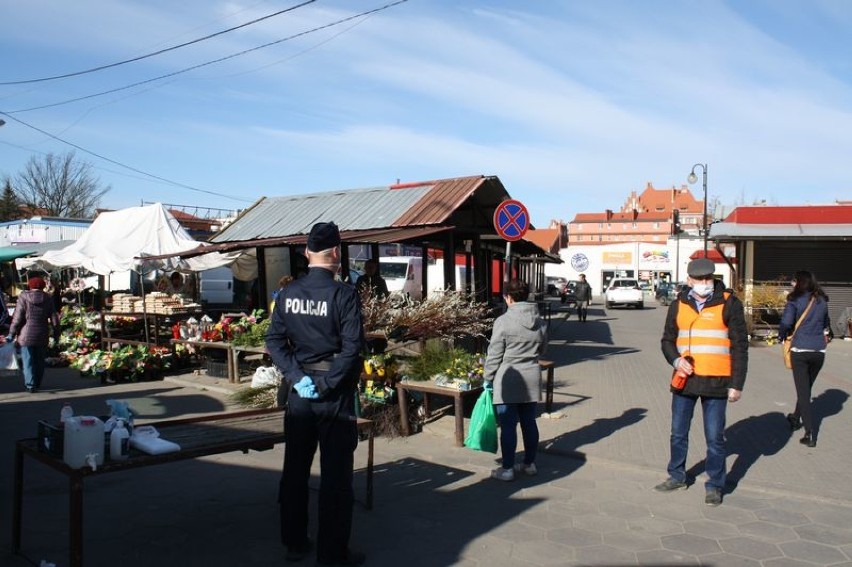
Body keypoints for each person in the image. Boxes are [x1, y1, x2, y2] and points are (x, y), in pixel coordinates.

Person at [265, 221, 366, 566]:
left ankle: (294, 542)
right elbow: (353, 349)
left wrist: (295, 376)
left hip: (299, 394)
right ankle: (332, 554)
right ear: (336, 253)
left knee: (295, 470)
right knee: (336, 477)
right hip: (332, 394)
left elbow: (274, 341)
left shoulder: (288, 293)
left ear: (307, 253)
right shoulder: (344, 294)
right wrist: (327, 384)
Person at [656, 258, 748, 507]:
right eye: (699, 280)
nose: (705, 283)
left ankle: (715, 485)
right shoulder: (678, 304)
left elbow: (740, 346)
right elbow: (667, 340)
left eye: (709, 279)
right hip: (685, 381)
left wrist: (737, 384)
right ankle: (677, 475)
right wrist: (676, 361)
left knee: (715, 438)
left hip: (717, 382)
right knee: (678, 433)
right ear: (689, 281)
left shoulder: (729, 303)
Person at [484, 278, 548, 481]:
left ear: (507, 297)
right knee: (529, 422)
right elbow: (543, 349)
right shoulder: (540, 320)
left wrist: (488, 377)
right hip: (531, 375)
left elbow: (494, 354)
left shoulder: (503, 321)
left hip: (508, 378)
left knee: (508, 425)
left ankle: (508, 469)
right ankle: (529, 464)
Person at [778, 270, 832, 448]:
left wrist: (781, 336)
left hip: (800, 350)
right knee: (806, 388)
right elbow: (826, 324)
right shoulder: (822, 300)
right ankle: (794, 417)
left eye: (794, 280)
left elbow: (786, 322)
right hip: (819, 352)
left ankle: (809, 433)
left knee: (803, 392)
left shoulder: (794, 300)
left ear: (799, 282)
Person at [6, 276, 61, 393]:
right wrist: (56, 334)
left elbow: (18, 317)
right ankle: (37, 382)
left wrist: (11, 333)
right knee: (40, 360)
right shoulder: (48, 298)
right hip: (42, 334)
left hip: (26, 335)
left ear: (29, 286)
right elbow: (54, 318)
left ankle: (30, 384)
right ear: (42, 286)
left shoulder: (23, 297)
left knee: (28, 360)